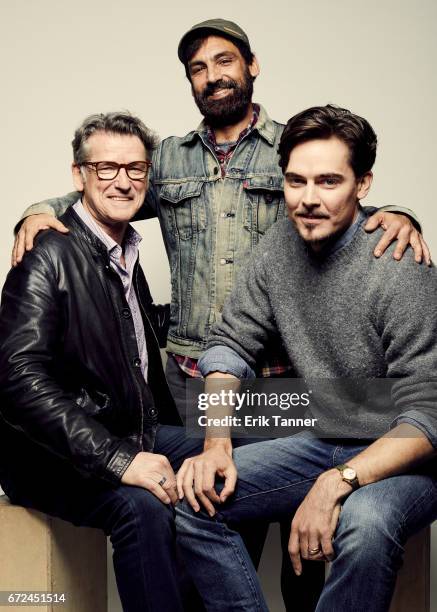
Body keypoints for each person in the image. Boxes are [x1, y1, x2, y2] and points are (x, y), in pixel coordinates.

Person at [8, 20, 431, 611]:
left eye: (224, 60)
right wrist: (35, 211)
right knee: (206, 509)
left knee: (315, 541)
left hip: (300, 387)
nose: (213, 76)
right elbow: (111, 184)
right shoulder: (168, 162)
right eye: (197, 69)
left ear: (252, 65)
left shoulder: (302, 153)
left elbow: (339, 207)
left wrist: (402, 214)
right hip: (202, 380)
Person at [174, 105, 437, 612]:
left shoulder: (400, 266)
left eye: (328, 181)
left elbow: (427, 416)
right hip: (325, 435)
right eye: (296, 181)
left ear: (363, 185)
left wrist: (338, 482)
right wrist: (216, 442)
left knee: (366, 523)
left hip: (407, 455)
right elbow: (231, 341)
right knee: (195, 502)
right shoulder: (278, 248)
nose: (308, 199)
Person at [0, 112, 205, 612]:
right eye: (107, 167)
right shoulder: (47, 253)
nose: (123, 180)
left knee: (219, 457)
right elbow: (17, 379)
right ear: (79, 176)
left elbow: (121, 332)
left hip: (127, 429)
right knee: (142, 508)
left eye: (136, 169)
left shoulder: (122, 250)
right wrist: (120, 460)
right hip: (50, 455)